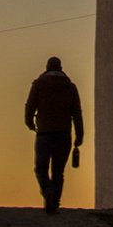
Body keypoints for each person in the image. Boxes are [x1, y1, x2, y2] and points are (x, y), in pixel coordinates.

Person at [24, 56, 83, 214]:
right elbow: (76, 113)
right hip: (64, 133)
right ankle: (54, 202)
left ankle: (48, 192)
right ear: (61, 68)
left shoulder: (39, 84)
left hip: (44, 133)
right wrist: (79, 135)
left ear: (47, 68)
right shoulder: (70, 87)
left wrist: (30, 122)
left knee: (40, 168)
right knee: (58, 171)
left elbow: (30, 106)